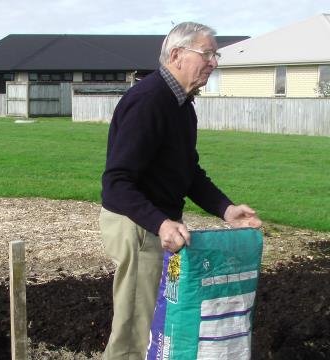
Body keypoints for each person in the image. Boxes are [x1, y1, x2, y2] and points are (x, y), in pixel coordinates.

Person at [99, 22, 262, 359]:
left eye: (215, 54)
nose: (214, 62)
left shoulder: (182, 105)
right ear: (176, 55)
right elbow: (116, 184)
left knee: (162, 325)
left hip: (160, 226)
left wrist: (226, 210)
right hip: (139, 228)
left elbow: (188, 173)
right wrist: (159, 223)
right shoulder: (148, 101)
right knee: (135, 333)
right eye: (207, 53)